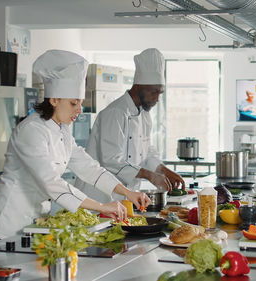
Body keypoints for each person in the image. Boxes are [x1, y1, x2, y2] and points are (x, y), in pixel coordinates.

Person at [0, 50, 150, 242]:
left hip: (36, 224)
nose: (79, 110)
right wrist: (102, 206)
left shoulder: (62, 129)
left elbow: (90, 168)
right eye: (74, 103)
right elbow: (51, 182)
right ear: (54, 100)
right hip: (9, 227)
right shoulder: (31, 130)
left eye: (80, 103)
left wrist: (127, 192)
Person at [76, 48, 185, 203]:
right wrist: (149, 175)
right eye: (154, 92)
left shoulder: (145, 115)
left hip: (125, 196)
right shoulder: (115, 113)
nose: (157, 99)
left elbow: (147, 152)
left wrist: (164, 170)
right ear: (139, 86)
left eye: (160, 93)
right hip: (98, 196)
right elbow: (111, 159)